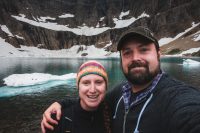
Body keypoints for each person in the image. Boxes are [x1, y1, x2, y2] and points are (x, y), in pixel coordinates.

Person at [41, 26, 200, 133]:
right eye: (127, 53)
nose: (135, 58)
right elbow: (89, 100)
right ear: (121, 59)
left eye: (144, 50)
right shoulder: (120, 94)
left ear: (158, 54)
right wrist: (61, 103)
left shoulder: (174, 97)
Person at [44, 60, 111, 133]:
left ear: (106, 86)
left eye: (98, 82)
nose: (92, 90)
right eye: (86, 83)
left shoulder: (113, 113)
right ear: (78, 87)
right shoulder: (57, 119)